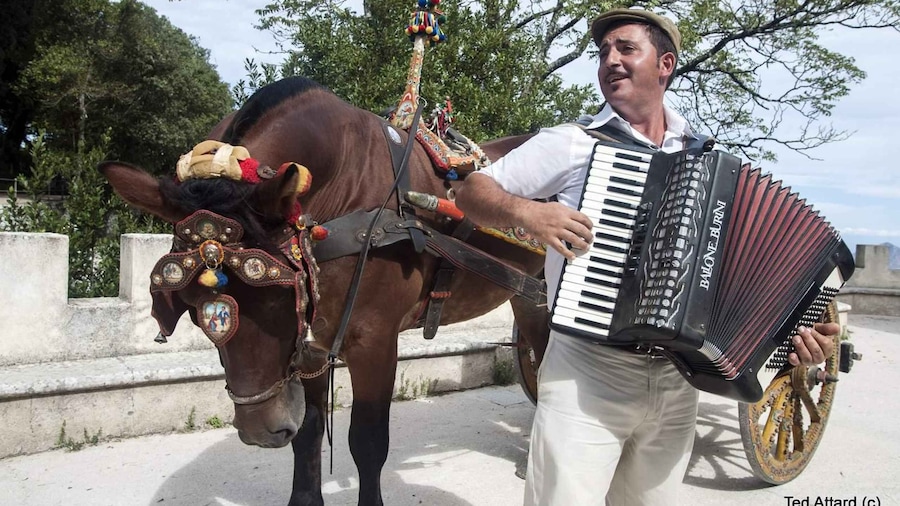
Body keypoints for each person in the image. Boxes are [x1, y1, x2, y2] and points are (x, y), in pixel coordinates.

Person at [454, 8, 839, 505]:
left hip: (679, 383)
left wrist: (793, 337)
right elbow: (471, 193)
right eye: (602, 53)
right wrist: (528, 213)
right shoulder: (573, 142)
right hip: (588, 374)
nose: (609, 60)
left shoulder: (706, 159)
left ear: (665, 65)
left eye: (625, 48)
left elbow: (736, 285)